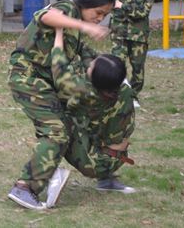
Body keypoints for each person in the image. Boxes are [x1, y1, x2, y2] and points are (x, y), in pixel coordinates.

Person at [7, 0, 115, 210]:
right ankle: (24, 187)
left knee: (70, 127)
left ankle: (92, 171)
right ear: (88, 3)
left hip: (47, 82)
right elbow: (44, 16)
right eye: (98, 13)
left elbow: (82, 53)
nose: (99, 19)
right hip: (28, 78)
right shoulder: (68, 9)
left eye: (104, 16)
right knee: (56, 131)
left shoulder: (75, 23)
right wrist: (84, 26)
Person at [45, 26, 136, 208]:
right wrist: (78, 32)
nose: (91, 63)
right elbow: (94, 61)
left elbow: (59, 68)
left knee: (56, 121)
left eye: (93, 66)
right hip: (117, 157)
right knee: (97, 125)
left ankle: (49, 173)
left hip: (95, 163)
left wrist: (59, 32)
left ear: (94, 78)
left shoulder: (85, 91)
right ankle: (107, 180)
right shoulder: (122, 88)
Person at [110, 0, 154, 104]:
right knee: (117, 66)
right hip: (119, 34)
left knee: (138, 69)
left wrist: (123, 6)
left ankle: (133, 96)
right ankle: (120, 95)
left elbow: (143, 12)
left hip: (139, 36)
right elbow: (113, 10)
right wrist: (131, 10)